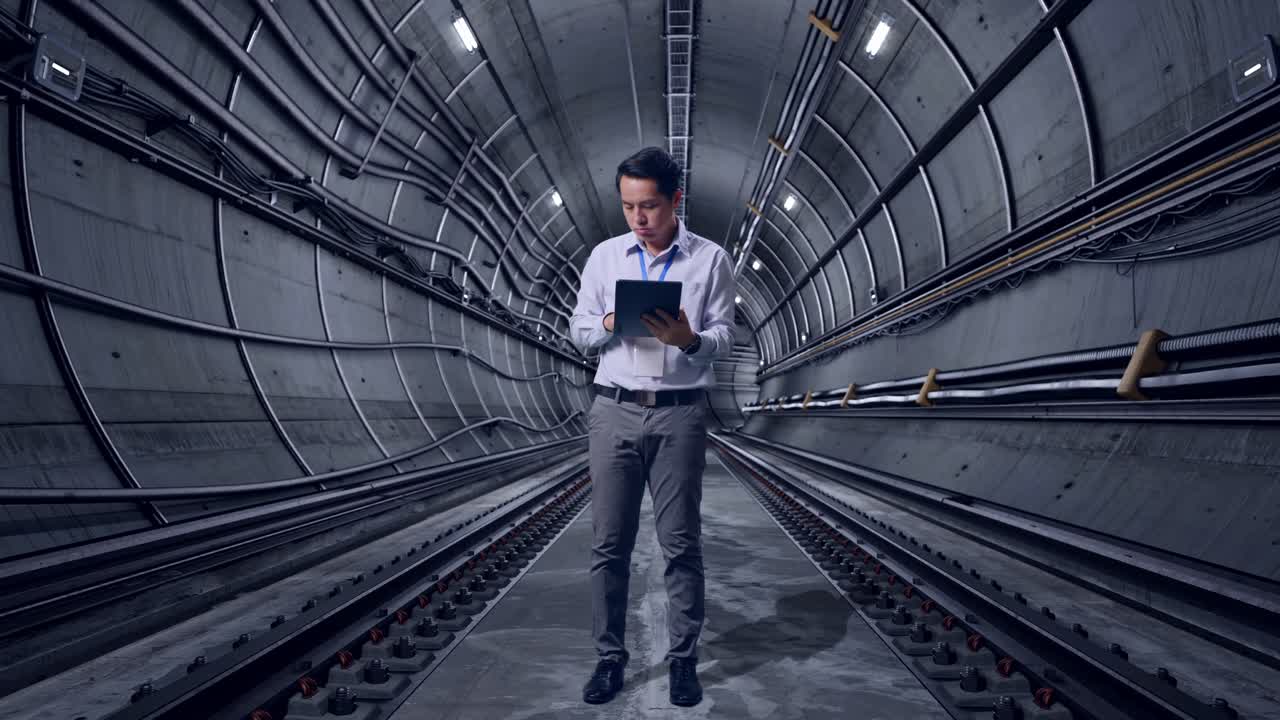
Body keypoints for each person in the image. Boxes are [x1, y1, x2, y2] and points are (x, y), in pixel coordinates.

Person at [569, 147, 736, 707]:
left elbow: (724, 336)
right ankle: (609, 659)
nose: (638, 218)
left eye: (649, 206)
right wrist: (609, 321)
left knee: (681, 543)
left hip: (679, 413)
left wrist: (688, 339)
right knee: (608, 544)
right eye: (628, 207)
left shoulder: (709, 260)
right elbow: (579, 329)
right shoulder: (604, 258)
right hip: (613, 408)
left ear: (675, 200)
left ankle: (683, 660)